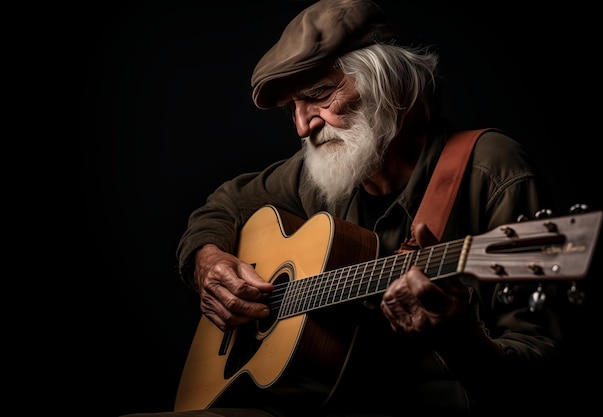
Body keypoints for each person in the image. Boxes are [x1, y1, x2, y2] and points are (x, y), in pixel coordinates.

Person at [123, 0, 577, 416]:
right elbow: (224, 204)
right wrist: (208, 260)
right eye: (292, 109)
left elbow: (543, 368)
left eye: (320, 96)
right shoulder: (319, 173)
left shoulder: (492, 168)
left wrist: (462, 340)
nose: (302, 127)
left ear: (392, 82)